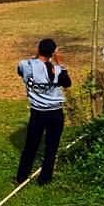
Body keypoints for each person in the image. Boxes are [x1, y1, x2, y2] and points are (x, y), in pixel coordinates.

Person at [16, 38, 72, 185]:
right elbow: (67, 83)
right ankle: (45, 179)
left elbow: (20, 71)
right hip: (55, 113)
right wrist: (60, 63)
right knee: (51, 147)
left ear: (38, 49)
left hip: (37, 113)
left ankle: (21, 177)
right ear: (53, 53)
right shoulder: (58, 70)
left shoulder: (26, 65)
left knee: (30, 146)